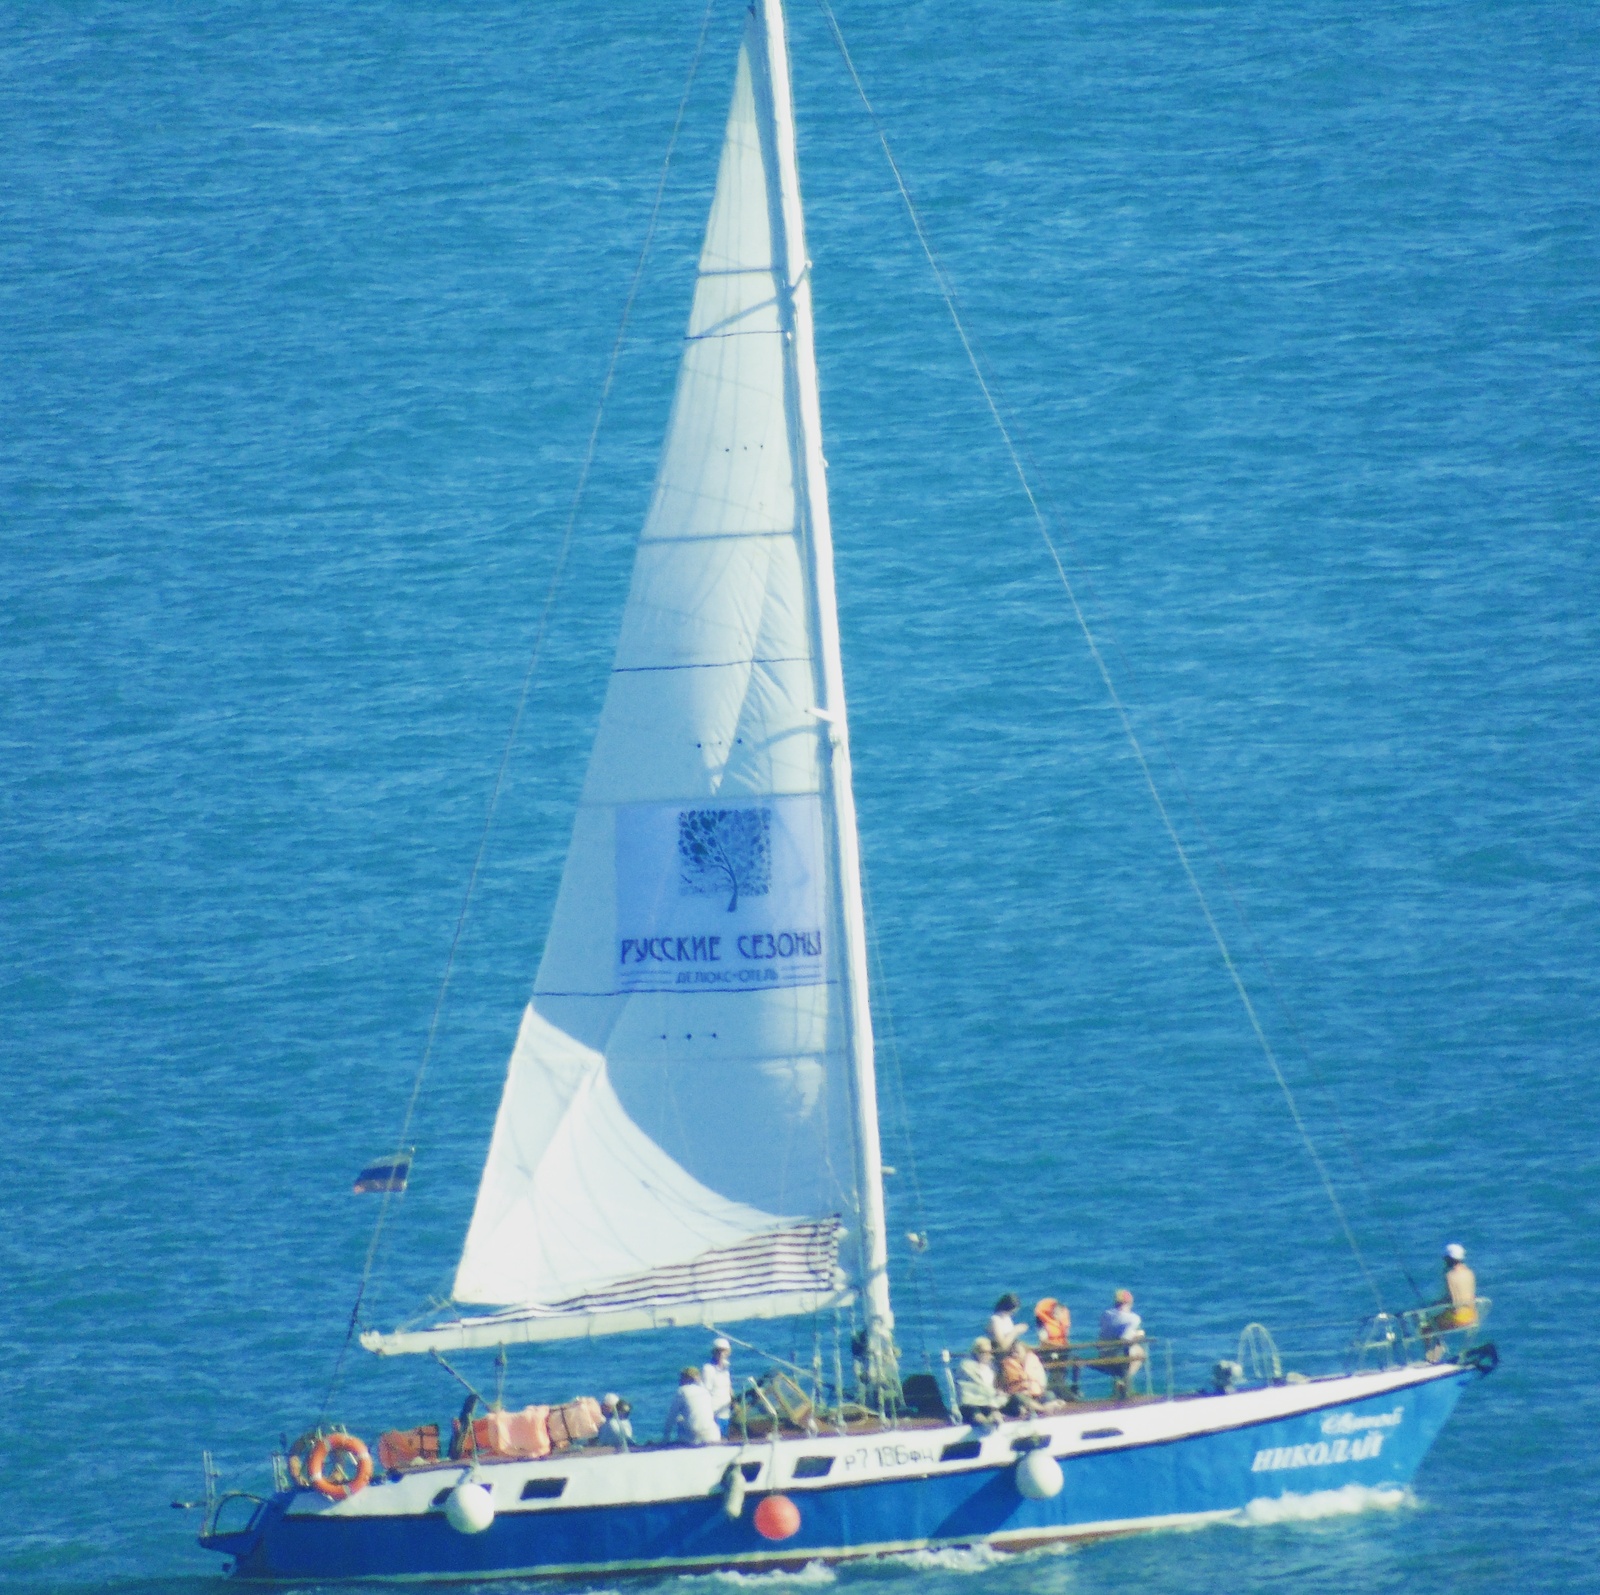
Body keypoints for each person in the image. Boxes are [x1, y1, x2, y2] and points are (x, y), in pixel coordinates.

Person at [1097, 1288, 1147, 1398]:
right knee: (1140, 1353)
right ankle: (1126, 1381)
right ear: (1129, 1303)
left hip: (1103, 1353)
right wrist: (1138, 1334)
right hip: (1119, 1354)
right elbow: (1125, 1339)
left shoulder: (1106, 1314)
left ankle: (1119, 1383)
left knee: (1130, 1351)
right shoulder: (1133, 1318)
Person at [663, 1367, 720, 1446]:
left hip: (694, 1437)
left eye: (682, 1377)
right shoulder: (704, 1391)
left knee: (679, 1418)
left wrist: (665, 1438)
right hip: (713, 1435)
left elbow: (671, 1417)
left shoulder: (682, 1391)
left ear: (686, 1378)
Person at [997, 1338, 1055, 1415]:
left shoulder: (1033, 1361)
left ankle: (1036, 1410)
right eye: (1012, 1352)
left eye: (1017, 1352)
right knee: (1018, 1397)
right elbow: (1002, 1384)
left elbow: (1041, 1380)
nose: (1014, 1354)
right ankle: (1042, 1409)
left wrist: (1040, 1389)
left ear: (1025, 1352)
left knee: (1049, 1395)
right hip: (1018, 1397)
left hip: (1034, 1396)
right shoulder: (1007, 1365)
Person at [955, 1336, 1002, 1425]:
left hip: (988, 1402)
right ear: (976, 1352)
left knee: (996, 1413)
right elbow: (975, 1388)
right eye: (984, 1352)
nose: (988, 1355)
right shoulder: (966, 1366)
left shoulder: (992, 1366)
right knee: (978, 1416)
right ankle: (986, 1424)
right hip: (970, 1403)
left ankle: (992, 1422)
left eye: (989, 1352)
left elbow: (994, 1385)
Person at [701, 1336, 734, 1436]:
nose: (721, 1354)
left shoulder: (726, 1367)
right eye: (718, 1351)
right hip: (715, 1413)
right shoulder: (708, 1369)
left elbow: (728, 1387)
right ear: (713, 1352)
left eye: (723, 1351)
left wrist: (734, 1401)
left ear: (728, 1352)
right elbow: (705, 1392)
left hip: (726, 1411)